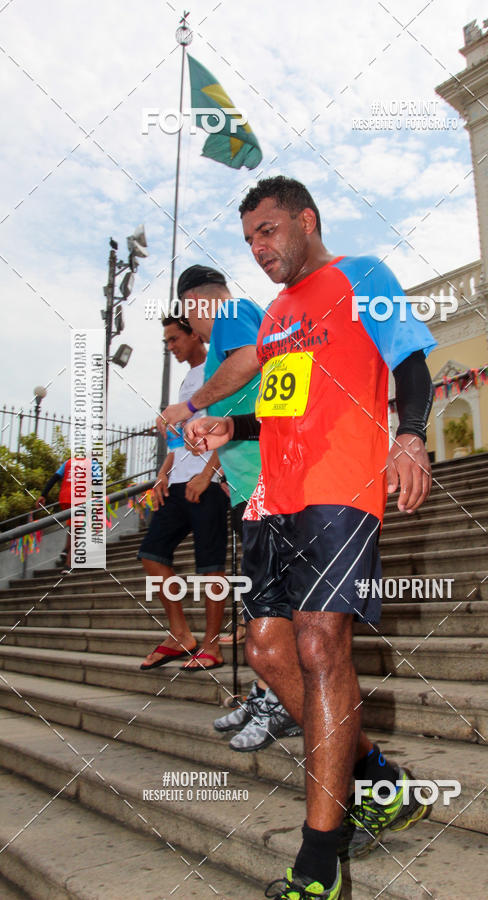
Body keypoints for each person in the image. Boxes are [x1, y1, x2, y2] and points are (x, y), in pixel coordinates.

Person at [186, 176, 437, 899]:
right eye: (248, 241)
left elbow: (411, 366)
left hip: (341, 487)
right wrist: (230, 426)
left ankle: (320, 864)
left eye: (268, 232)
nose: (259, 250)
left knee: (321, 644)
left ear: (306, 220)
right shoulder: (271, 321)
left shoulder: (363, 276)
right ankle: (380, 781)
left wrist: (411, 438)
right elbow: (280, 412)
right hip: (272, 495)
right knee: (268, 650)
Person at [159, 267, 301, 749]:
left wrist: (191, 405)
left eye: (189, 322)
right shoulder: (235, 322)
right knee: (264, 595)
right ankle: (268, 692)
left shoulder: (232, 313)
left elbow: (248, 357)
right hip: (251, 483)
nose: (196, 336)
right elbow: (246, 409)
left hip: (272, 480)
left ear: (196, 301)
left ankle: (287, 699)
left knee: (273, 598)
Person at [138, 315, 228, 671]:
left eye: (174, 339)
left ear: (194, 334)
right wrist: (162, 474)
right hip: (177, 484)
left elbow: (231, 424)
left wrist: (209, 473)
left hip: (208, 485)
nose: (170, 346)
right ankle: (180, 635)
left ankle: (212, 645)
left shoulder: (219, 370)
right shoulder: (187, 382)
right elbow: (177, 439)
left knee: (211, 567)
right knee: (152, 554)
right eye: (167, 341)